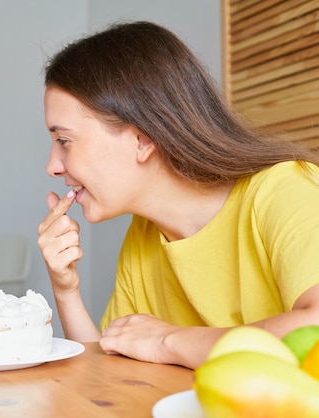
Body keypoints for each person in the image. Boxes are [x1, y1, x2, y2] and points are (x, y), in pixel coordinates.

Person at [37, 21, 319, 369]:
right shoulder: (143, 237)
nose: (52, 166)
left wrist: (167, 341)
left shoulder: (287, 190)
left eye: (64, 141)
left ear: (142, 140)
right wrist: (65, 290)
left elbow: (315, 331)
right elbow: (106, 374)